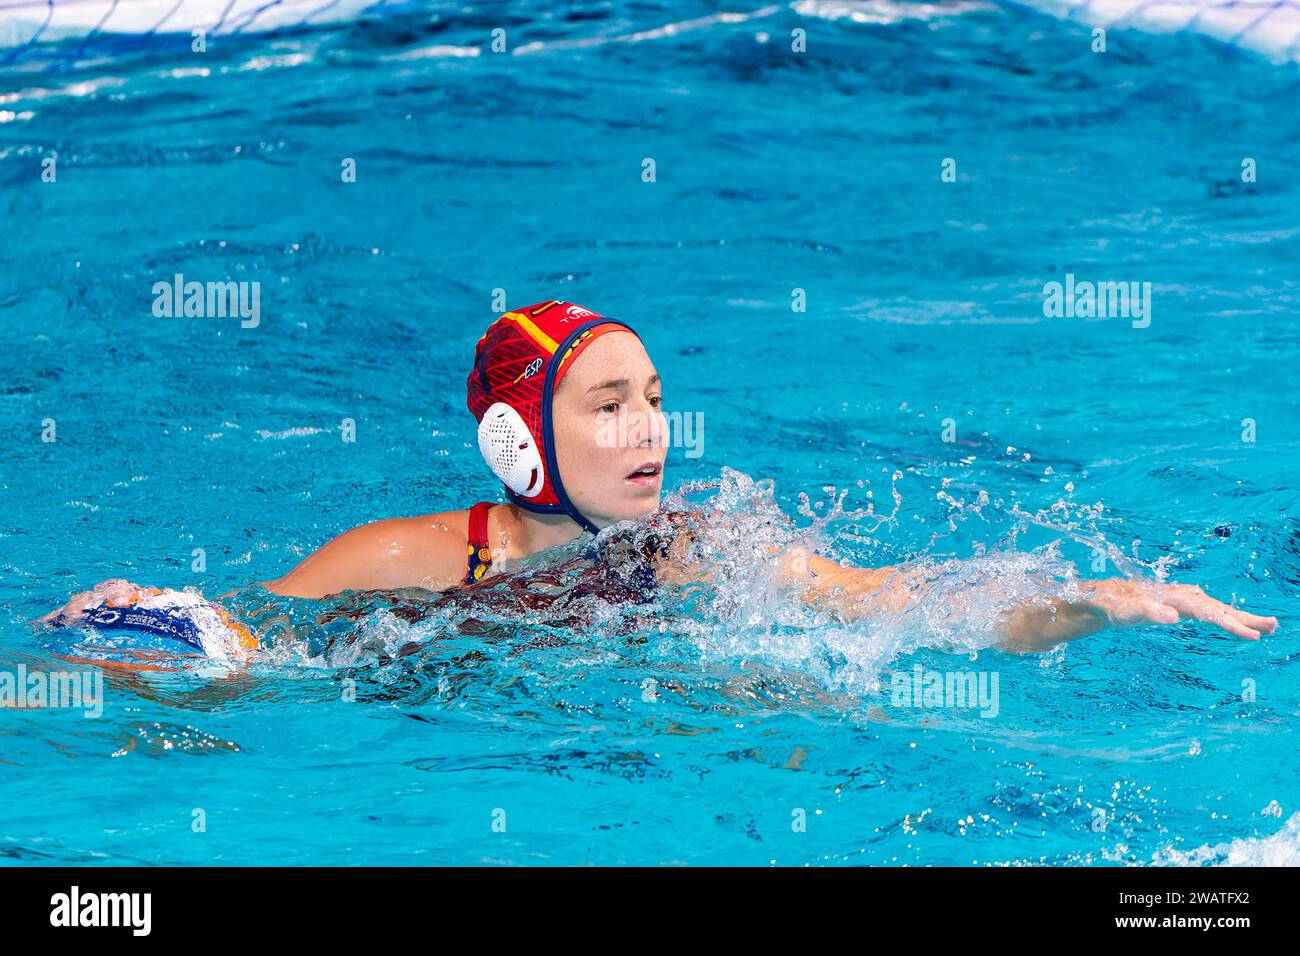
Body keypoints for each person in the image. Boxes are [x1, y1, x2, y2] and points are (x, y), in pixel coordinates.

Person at [35, 300, 1279, 656]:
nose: (650, 434)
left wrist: (1084, 601)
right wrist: (146, 615)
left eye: (655, 402)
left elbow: (896, 602)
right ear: (520, 442)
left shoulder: (695, 544)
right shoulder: (415, 555)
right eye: (608, 404)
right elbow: (247, 633)